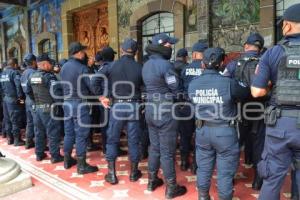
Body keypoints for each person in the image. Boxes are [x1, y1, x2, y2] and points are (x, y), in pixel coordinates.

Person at [251, 3, 300, 200]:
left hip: (280, 125)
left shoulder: (272, 53)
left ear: (287, 26)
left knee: (272, 178)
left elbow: (256, 92)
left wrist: (272, 85)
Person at [188, 48, 249, 200]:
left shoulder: (193, 84)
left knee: (203, 168)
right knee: (225, 173)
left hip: (202, 131)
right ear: (222, 63)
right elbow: (246, 93)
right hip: (225, 132)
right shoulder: (229, 83)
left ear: (202, 64)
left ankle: (203, 197)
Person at [142, 33, 187, 199]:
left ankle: (152, 180)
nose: (171, 47)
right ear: (163, 46)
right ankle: (172, 187)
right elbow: (175, 88)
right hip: (165, 110)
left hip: (150, 110)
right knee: (167, 151)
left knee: (154, 147)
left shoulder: (146, 65)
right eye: (169, 45)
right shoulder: (166, 65)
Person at [99, 38, 143, 184]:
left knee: (112, 140)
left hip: (117, 106)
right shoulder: (139, 67)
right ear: (135, 52)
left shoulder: (111, 66)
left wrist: (102, 96)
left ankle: (111, 174)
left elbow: (95, 79)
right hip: (134, 106)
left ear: (122, 50)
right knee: (134, 141)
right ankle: (134, 173)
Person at [226, 32, 266, 190]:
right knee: (259, 144)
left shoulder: (234, 63)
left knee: (235, 143)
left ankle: (229, 178)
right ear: (260, 48)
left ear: (246, 46)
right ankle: (258, 180)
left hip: (240, 109)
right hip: (261, 109)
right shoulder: (265, 61)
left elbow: (225, 83)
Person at [60, 42, 98, 174]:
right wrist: (101, 96)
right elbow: (92, 87)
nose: (84, 53)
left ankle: (67, 160)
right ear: (79, 53)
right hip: (79, 104)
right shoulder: (82, 68)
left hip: (67, 103)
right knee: (81, 134)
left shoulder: (64, 67)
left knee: (69, 133)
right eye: (82, 51)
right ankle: (81, 165)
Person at [26, 54, 63, 163]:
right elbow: (56, 95)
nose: (51, 65)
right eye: (50, 63)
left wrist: (37, 101)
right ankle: (55, 156)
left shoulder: (32, 76)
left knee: (39, 132)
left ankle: (39, 154)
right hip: (49, 109)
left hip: (37, 108)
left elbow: (28, 92)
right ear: (45, 64)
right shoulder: (49, 77)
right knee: (53, 132)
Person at [180, 41, 208, 174]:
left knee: (185, 135)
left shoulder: (186, 68)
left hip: (186, 105)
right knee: (199, 136)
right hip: (202, 107)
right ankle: (195, 165)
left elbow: (179, 87)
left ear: (195, 54)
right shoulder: (207, 68)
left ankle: (184, 162)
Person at [0, 58, 25, 146]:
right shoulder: (14, 73)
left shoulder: (3, 74)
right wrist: (20, 97)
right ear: (14, 65)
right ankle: (17, 140)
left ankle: (10, 139)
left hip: (5, 99)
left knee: (7, 120)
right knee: (15, 120)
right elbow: (18, 85)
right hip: (13, 99)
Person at [21, 53, 37, 149]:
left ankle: (29, 141)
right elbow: (33, 88)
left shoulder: (24, 73)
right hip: (33, 100)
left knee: (30, 122)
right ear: (34, 62)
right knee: (37, 123)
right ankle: (40, 145)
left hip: (27, 100)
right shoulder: (32, 73)